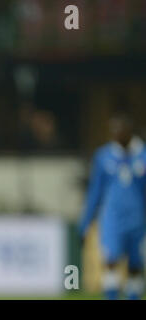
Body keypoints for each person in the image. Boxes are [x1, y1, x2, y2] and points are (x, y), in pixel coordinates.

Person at [79, 113, 146, 300]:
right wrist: (85, 223)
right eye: (113, 130)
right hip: (112, 219)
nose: (116, 134)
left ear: (129, 131)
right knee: (111, 260)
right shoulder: (103, 156)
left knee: (135, 265)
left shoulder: (143, 155)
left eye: (120, 129)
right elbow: (95, 192)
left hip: (138, 220)